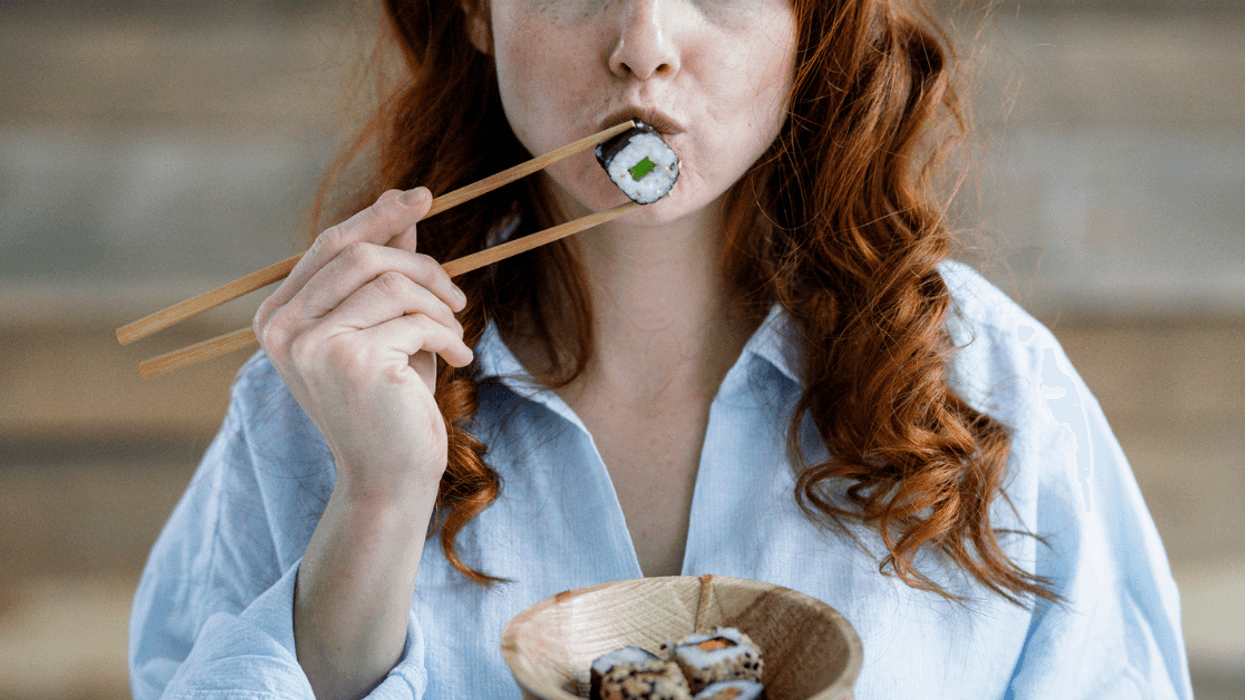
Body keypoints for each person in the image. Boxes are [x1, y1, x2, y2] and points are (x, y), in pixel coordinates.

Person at [128, 0, 1193, 698]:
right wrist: (376, 499)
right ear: (478, 12)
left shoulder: (990, 389)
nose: (643, 42)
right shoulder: (323, 385)